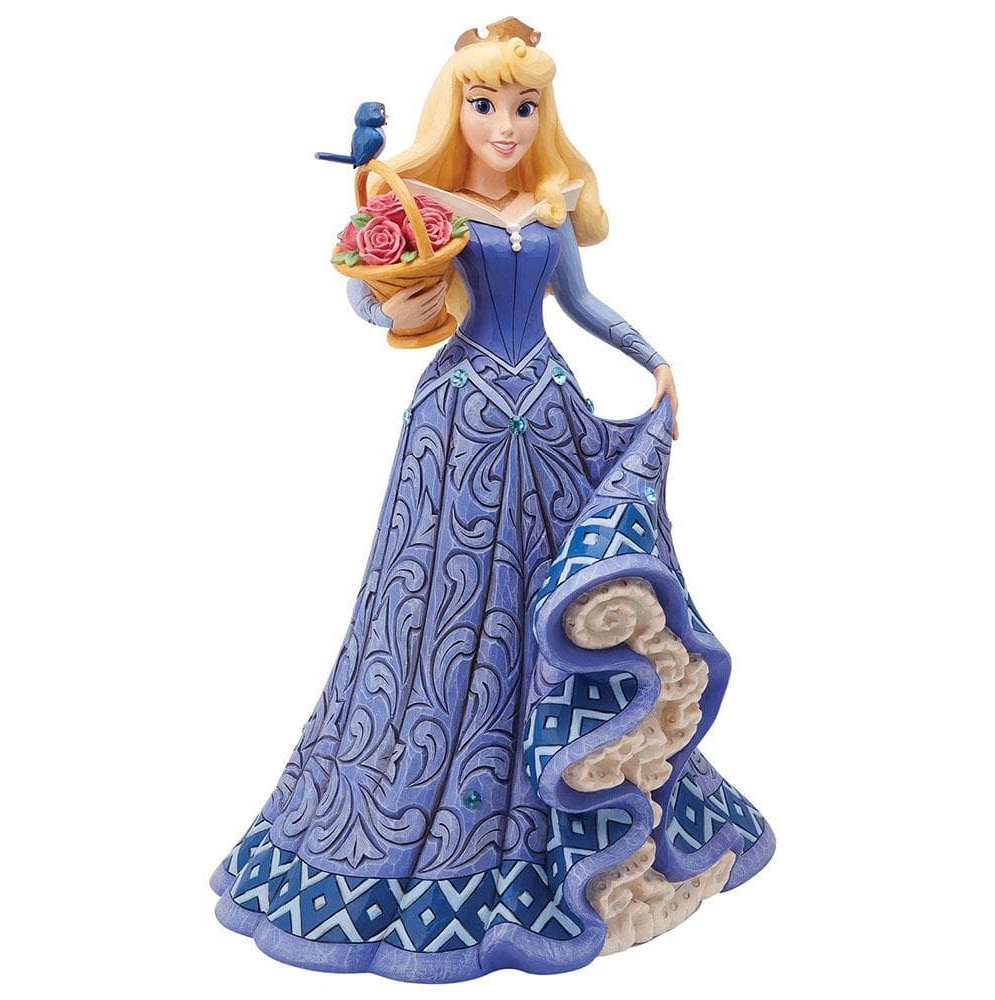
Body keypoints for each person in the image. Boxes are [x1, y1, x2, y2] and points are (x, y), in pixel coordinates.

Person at [211, 18, 773, 983]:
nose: (504, 126)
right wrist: (398, 293)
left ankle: (582, 795)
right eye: (484, 105)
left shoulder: (550, 210)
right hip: (461, 422)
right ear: (456, 110)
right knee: (438, 610)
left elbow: (582, 307)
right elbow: (384, 303)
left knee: (555, 599)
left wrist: (654, 360)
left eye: (523, 106)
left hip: (548, 411)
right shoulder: (423, 202)